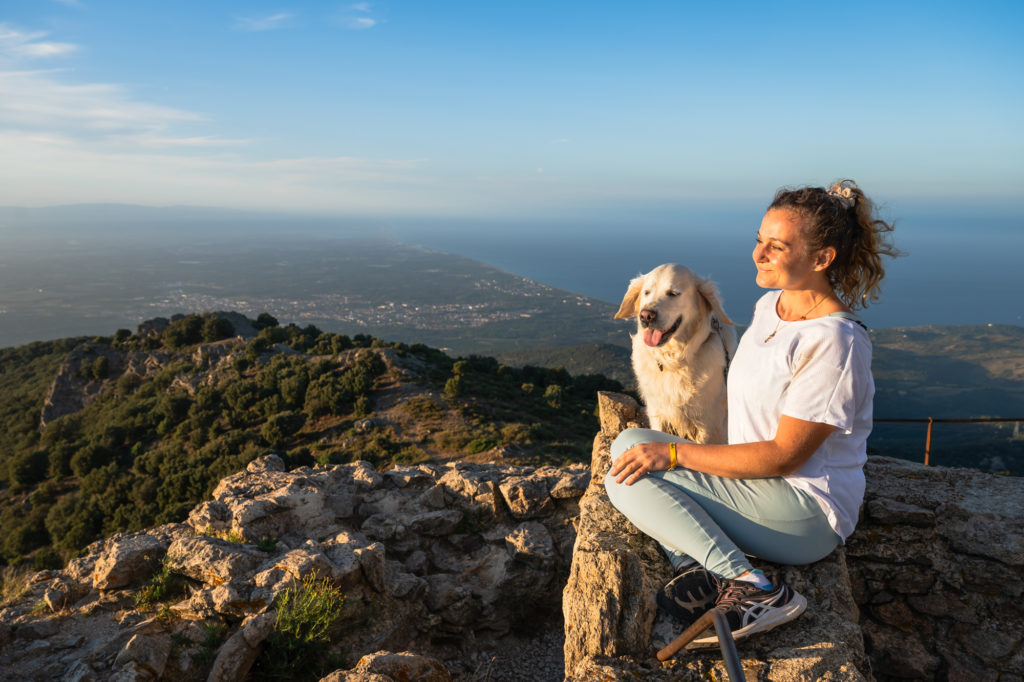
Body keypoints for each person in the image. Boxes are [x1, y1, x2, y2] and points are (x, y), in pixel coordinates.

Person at [605, 179, 898, 647]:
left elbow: (784, 456)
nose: (759, 254)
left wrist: (675, 456)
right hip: (756, 488)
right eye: (760, 240)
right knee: (627, 448)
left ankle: (752, 587)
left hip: (805, 512)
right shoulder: (769, 307)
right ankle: (694, 566)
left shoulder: (835, 342)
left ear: (822, 258)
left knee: (626, 476)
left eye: (777, 246)